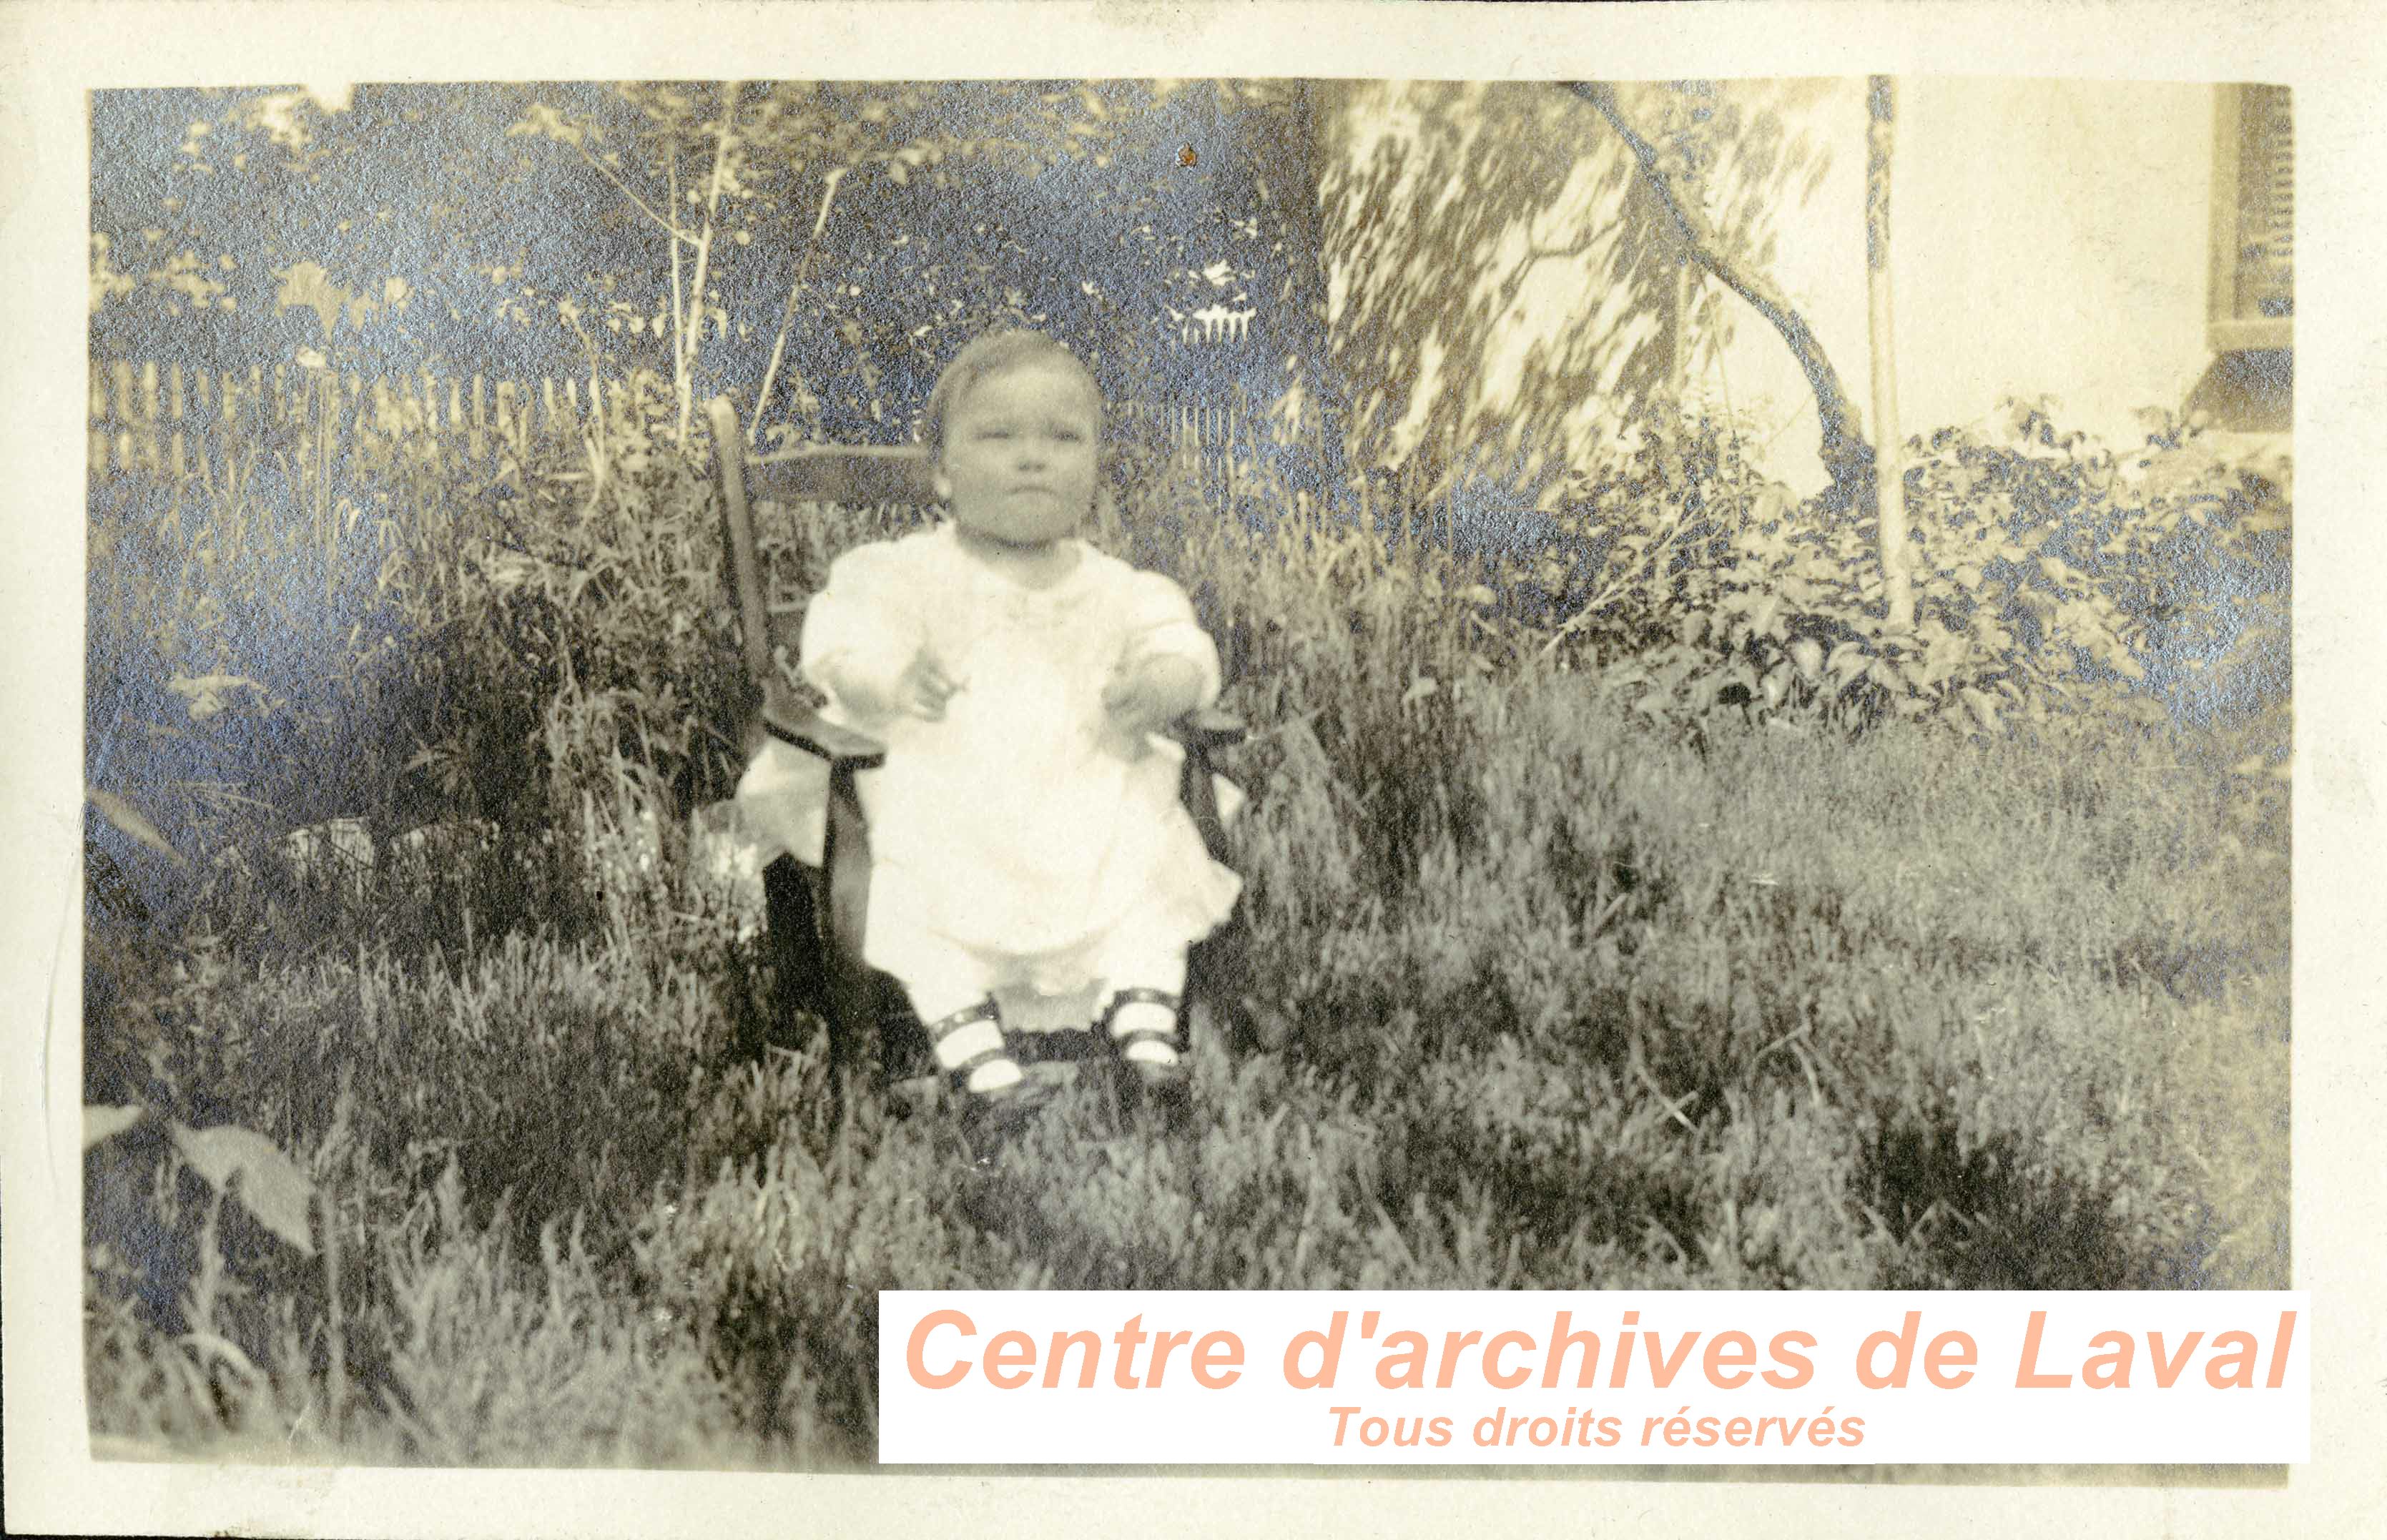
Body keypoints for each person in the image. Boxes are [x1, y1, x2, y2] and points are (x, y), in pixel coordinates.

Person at [734, 330, 1241, 1125]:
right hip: (941, 791)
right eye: (998, 437)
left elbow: (1177, 641)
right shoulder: (901, 575)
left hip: (1077, 790)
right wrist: (890, 675)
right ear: (942, 470)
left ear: (1095, 470)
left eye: (1062, 438)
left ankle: (1146, 1036)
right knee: (913, 872)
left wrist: (1166, 680)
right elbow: (843, 643)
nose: (1032, 458)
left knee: (1150, 849)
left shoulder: (1120, 588)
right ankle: (976, 1055)